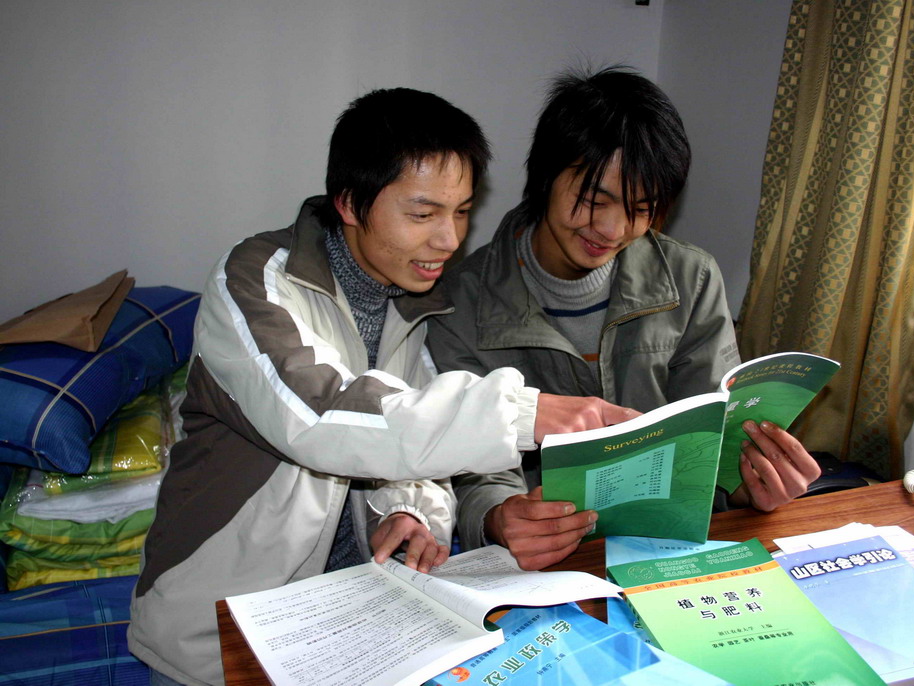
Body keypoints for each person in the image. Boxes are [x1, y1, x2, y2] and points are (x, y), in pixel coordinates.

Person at [128, 87, 635, 686]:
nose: (450, 240)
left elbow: (414, 440)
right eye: (423, 214)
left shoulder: (419, 300)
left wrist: (405, 513)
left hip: (358, 615)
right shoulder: (252, 282)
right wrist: (524, 414)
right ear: (349, 202)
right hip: (224, 633)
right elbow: (322, 417)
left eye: (462, 211)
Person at [427, 66, 822, 571]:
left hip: (666, 547)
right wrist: (499, 517)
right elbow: (465, 455)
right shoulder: (459, 301)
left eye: (641, 209)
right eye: (594, 200)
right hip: (546, 562)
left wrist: (750, 485)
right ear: (545, 176)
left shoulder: (691, 280)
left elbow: (711, 435)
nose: (612, 230)